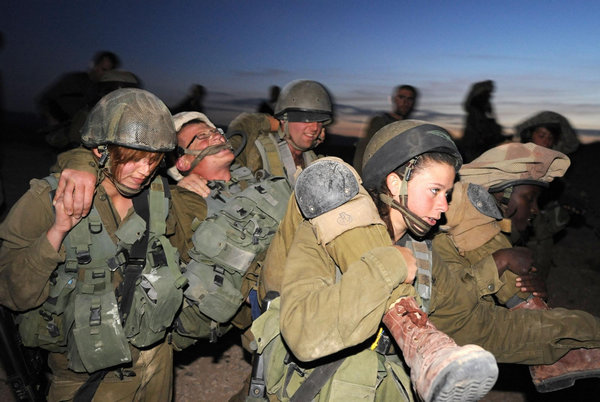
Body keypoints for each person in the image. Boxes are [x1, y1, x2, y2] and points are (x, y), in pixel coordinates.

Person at [251, 120, 499, 401]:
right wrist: (391, 265)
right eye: (434, 190)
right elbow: (305, 337)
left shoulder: (420, 252)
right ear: (395, 183)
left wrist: (556, 336)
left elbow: (473, 319)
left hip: (371, 382)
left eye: (447, 194)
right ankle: (422, 343)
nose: (443, 207)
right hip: (305, 377)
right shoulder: (326, 227)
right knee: (332, 171)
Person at [0, 88, 186, 400]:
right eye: (133, 158)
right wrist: (57, 232)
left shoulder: (157, 195)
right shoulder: (48, 199)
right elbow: (9, 292)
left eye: (154, 160)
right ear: (100, 150)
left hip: (157, 359)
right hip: (88, 374)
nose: (145, 171)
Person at [430, 142, 600, 392]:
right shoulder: (470, 230)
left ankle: (553, 356)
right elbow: (459, 307)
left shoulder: (469, 227)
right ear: (502, 194)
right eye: (529, 199)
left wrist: (530, 289)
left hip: (463, 324)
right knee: (580, 327)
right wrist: (502, 262)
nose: (535, 209)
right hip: (448, 330)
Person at [514, 111, 580, 280]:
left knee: (547, 233)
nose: (546, 141)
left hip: (533, 212)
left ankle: (538, 283)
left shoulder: (550, 162)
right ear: (530, 136)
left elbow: (556, 189)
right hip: (510, 212)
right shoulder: (517, 156)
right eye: (541, 135)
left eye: (550, 138)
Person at [226, 79, 331, 186]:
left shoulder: (315, 163)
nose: (314, 128)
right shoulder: (256, 151)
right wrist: (275, 124)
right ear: (284, 119)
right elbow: (242, 125)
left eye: (320, 121)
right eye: (307, 119)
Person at [37, 51, 121, 148]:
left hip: (82, 140)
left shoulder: (102, 89)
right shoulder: (73, 80)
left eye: (109, 71)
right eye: (103, 69)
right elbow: (44, 99)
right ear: (94, 65)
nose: (105, 74)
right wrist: (52, 120)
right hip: (60, 135)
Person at [353, 85, 418, 174]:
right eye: (401, 97)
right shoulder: (380, 122)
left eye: (409, 99)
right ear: (393, 99)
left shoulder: (411, 127)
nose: (405, 102)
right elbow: (363, 151)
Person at [458, 80, 506, 163]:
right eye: (487, 93)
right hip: (477, 146)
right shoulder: (477, 110)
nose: (489, 96)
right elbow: (480, 130)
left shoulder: (483, 110)